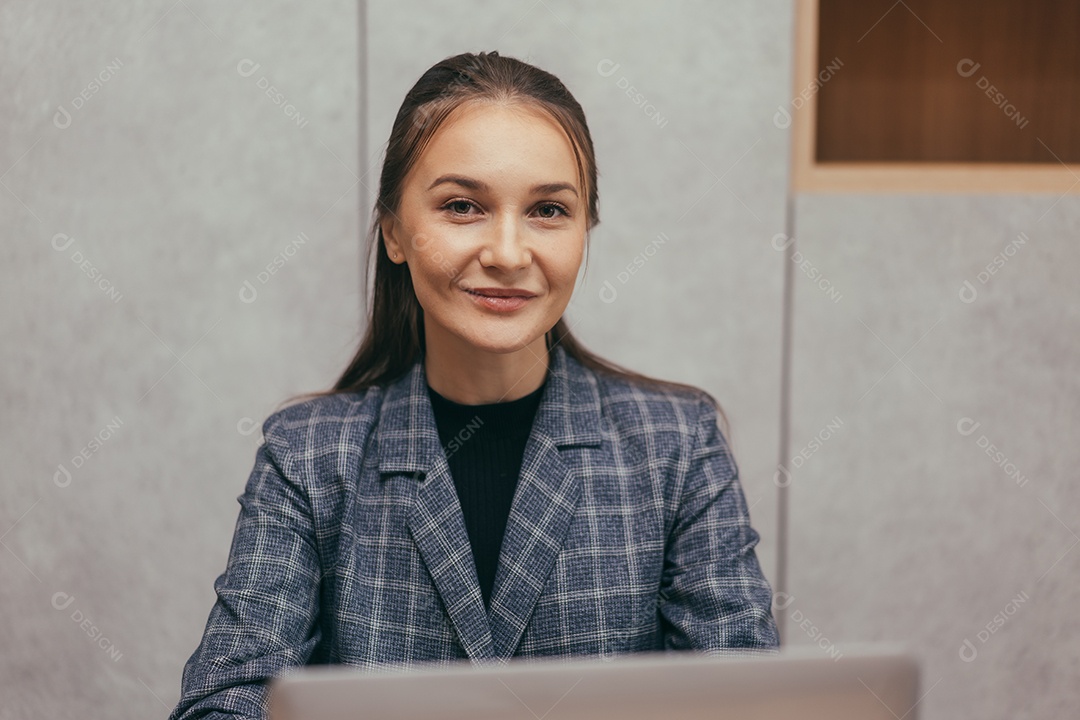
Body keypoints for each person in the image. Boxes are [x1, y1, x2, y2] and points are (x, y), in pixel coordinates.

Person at [168, 50, 779, 720]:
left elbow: (747, 705)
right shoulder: (308, 455)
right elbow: (222, 703)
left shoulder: (678, 446)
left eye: (549, 210)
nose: (509, 254)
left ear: (586, 230)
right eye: (463, 206)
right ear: (395, 231)